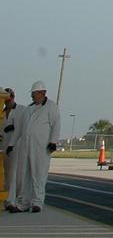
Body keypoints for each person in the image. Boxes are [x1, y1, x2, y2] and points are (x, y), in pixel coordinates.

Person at [12, 81, 60, 213]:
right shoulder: (29, 109)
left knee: (39, 175)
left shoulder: (51, 107)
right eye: (32, 94)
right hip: (26, 147)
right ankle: (23, 203)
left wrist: (53, 141)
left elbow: (56, 125)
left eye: (34, 94)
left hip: (41, 147)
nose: (32, 97)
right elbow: (20, 129)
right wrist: (12, 144)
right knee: (24, 175)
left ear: (42, 93)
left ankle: (37, 203)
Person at [1, 88, 18, 213]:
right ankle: (4, 200)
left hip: (14, 148)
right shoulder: (1, 113)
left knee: (12, 175)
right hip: (2, 147)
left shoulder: (20, 111)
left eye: (9, 97)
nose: (8, 100)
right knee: (4, 175)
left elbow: (24, 125)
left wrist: (14, 127)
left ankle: (11, 201)